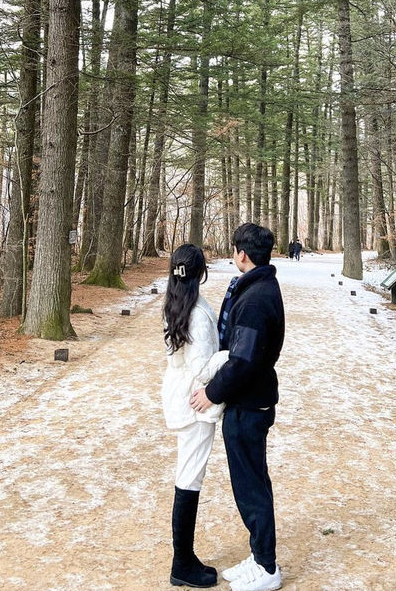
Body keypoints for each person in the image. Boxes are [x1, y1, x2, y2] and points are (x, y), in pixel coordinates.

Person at [190, 223, 285, 591]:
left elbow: (243, 360)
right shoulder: (257, 287)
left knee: (251, 486)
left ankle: (267, 567)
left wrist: (211, 392)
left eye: (234, 250)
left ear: (242, 254)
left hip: (249, 405)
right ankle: (259, 554)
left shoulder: (256, 298)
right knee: (251, 482)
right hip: (248, 401)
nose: (233, 255)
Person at [162, 243, 229, 588]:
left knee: (186, 476)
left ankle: (183, 558)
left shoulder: (174, 300)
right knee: (189, 479)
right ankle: (182, 561)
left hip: (180, 395)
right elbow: (203, 368)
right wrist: (230, 354)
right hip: (195, 402)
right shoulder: (198, 314)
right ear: (201, 273)